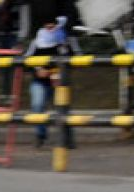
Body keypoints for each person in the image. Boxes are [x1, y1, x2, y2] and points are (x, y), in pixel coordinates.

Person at [25, 14, 78, 150]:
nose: (49, 27)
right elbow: (27, 61)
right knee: (37, 105)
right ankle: (40, 135)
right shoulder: (36, 41)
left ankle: (67, 138)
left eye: (53, 24)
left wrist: (57, 72)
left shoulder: (64, 40)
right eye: (46, 25)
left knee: (63, 108)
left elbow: (75, 59)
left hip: (59, 81)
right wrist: (37, 70)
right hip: (40, 80)